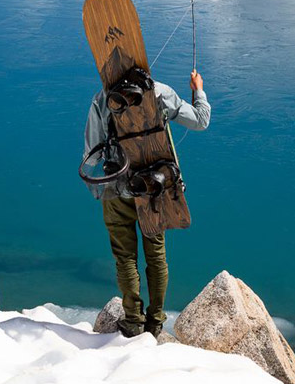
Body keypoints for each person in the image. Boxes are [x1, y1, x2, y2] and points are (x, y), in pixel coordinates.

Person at [83, 70, 210, 338]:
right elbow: (201, 121)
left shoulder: (102, 98)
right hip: (154, 187)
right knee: (156, 255)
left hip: (116, 189)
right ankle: (155, 322)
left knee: (125, 256)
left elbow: (92, 156)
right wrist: (198, 90)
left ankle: (133, 320)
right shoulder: (161, 91)